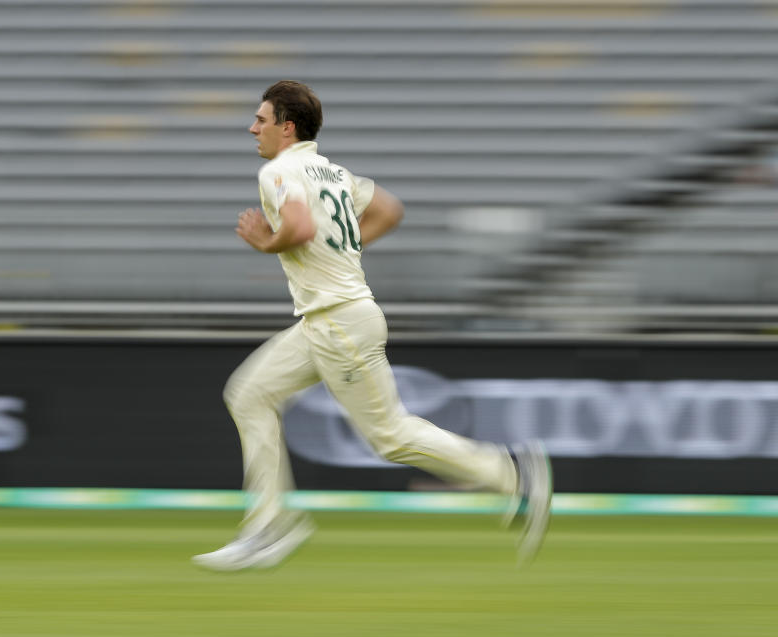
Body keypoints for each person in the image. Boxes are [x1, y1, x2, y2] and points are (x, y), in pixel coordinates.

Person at [192, 80, 551, 572]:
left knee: (390, 436)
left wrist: (265, 241)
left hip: (337, 321)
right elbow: (389, 209)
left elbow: (298, 228)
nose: (252, 127)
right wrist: (345, 250)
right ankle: (269, 525)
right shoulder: (333, 172)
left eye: (261, 119)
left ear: (286, 126)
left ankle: (512, 473)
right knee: (250, 394)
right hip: (330, 319)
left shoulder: (279, 170)